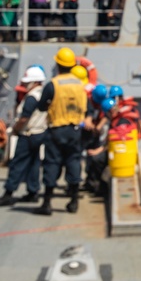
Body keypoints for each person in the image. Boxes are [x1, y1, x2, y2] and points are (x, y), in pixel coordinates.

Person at [34, 47, 88, 215]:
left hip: (56, 129)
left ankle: (47, 203)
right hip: (75, 130)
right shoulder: (80, 85)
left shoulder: (53, 84)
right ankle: (73, 202)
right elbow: (85, 108)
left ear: (58, 64)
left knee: (52, 163)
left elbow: (42, 106)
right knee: (73, 162)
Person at [0, 65, 47, 207]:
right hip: (39, 133)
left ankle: (8, 193)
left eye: (27, 82)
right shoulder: (43, 95)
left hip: (28, 134)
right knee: (34, 163)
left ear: (34, 82)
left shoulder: (31, 98)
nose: (25, 85)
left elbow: (24, 118)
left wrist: (15, 129)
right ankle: (33, 191)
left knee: (17, 163)